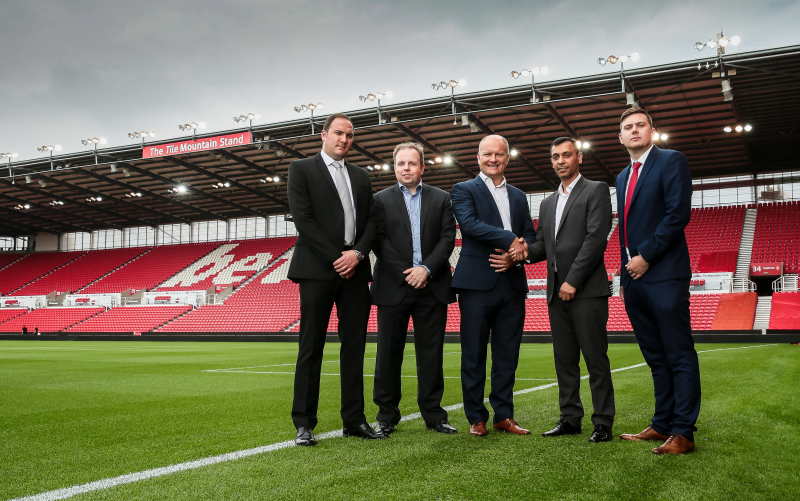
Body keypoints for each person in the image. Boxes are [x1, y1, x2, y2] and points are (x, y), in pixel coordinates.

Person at [287, 113, 381, 446]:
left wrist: (356, 254)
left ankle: (354, 419)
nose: (344, 139)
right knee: (310, 346)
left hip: (355, 269)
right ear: (324, 134)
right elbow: (303, 219)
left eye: (350, 135)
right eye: (339, 133)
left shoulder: (361, 175)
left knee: (354, 346)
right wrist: (336, 257)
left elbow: (371, 221)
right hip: (318, 268)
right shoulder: (301, 169)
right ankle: (304, 422)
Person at [615, 108, 698, 455]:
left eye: (640, 125)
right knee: (656, 358)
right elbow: (625, 231)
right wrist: (624, 273)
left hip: (664, 274)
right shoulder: (622, 176)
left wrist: (646, 255)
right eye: (627, 128)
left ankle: (684, 432)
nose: (634, 131)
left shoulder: (671, 161)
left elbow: (678, 214)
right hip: (634, 279)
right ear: (620, 138)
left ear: (652, 131)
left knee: (678, 354)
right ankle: (662, 423)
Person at [527, 137, 615, 443]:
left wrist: (573, 280)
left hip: (586, 291)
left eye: (566, 155)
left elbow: (596, 238)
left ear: (579, 157)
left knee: (595, 359)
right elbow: (542, 247)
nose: (561, 160)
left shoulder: (596, 189)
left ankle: (603, 421)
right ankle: (570, 417)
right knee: (564, 360)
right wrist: (522, 252)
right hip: (555, 294)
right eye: (555, 157)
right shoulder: (547, 202)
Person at [451, 134, 536, 437]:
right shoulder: (463, 189)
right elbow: (470, 224)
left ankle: (504, 415)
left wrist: (517, 254)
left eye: (499, 154)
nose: (493, 159)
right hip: (477, 284)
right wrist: (510, 239)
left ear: (507, 158)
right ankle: (476, 417)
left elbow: (530, 235)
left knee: (507, 354)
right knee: (473, 353)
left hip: (511, 282)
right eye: (487, 154)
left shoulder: (518, 195)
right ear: (478, 157)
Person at [371, 142, 458, 437]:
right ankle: (386, 416)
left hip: (431, 285)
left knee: (431, 354)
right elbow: (379, 241)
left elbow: (447, 239)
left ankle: (434, 415)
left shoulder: (442, 198)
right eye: (400, 164)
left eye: (411, 163)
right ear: (394, 167)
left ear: (422, 167)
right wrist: (406, 272)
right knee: (387, 354)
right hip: (394, 285)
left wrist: (426, 269)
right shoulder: (379, 200)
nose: (406, 168)